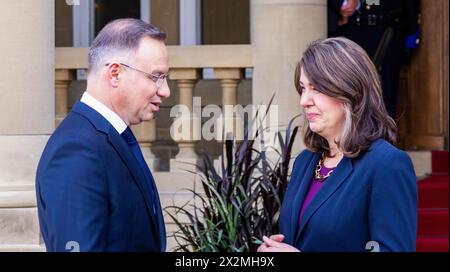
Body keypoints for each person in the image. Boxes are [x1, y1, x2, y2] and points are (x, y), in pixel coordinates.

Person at [257, 37, 417, 252]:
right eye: (303, 88)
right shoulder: (305, 162)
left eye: (316, 89)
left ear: (351, 92)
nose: (304, 100)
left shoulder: (387, 165)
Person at [36, 18, 170, 251]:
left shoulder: (109, 138)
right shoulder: (77, 150)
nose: (165, 90)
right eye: (156, 76)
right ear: (115, 73)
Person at [328, 0, 421, 118]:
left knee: (385, 101)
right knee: (353, 97)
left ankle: (383, 135)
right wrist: (341, 2)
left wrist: (412, 30)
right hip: (353, 30)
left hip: (389, 32)